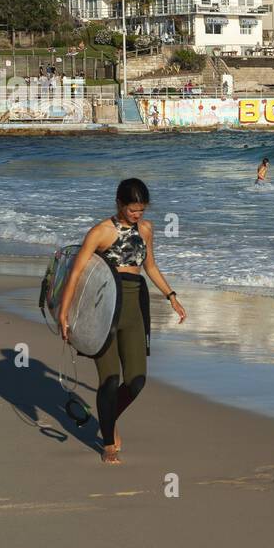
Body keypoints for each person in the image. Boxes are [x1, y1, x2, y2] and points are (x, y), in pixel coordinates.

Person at [58, 178, 187, 464]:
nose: (137, 215)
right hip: (102, 309)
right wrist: (64, 314)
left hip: (134, 307)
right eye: (132, 210)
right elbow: (76, 272)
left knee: (137, 380)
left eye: (141, 210)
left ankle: (107, 416)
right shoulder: (101, 232)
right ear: (119, 203)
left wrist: (171, 296)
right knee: (110, 379)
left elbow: (150, 266)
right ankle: (107, 444)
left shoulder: (146, 229)